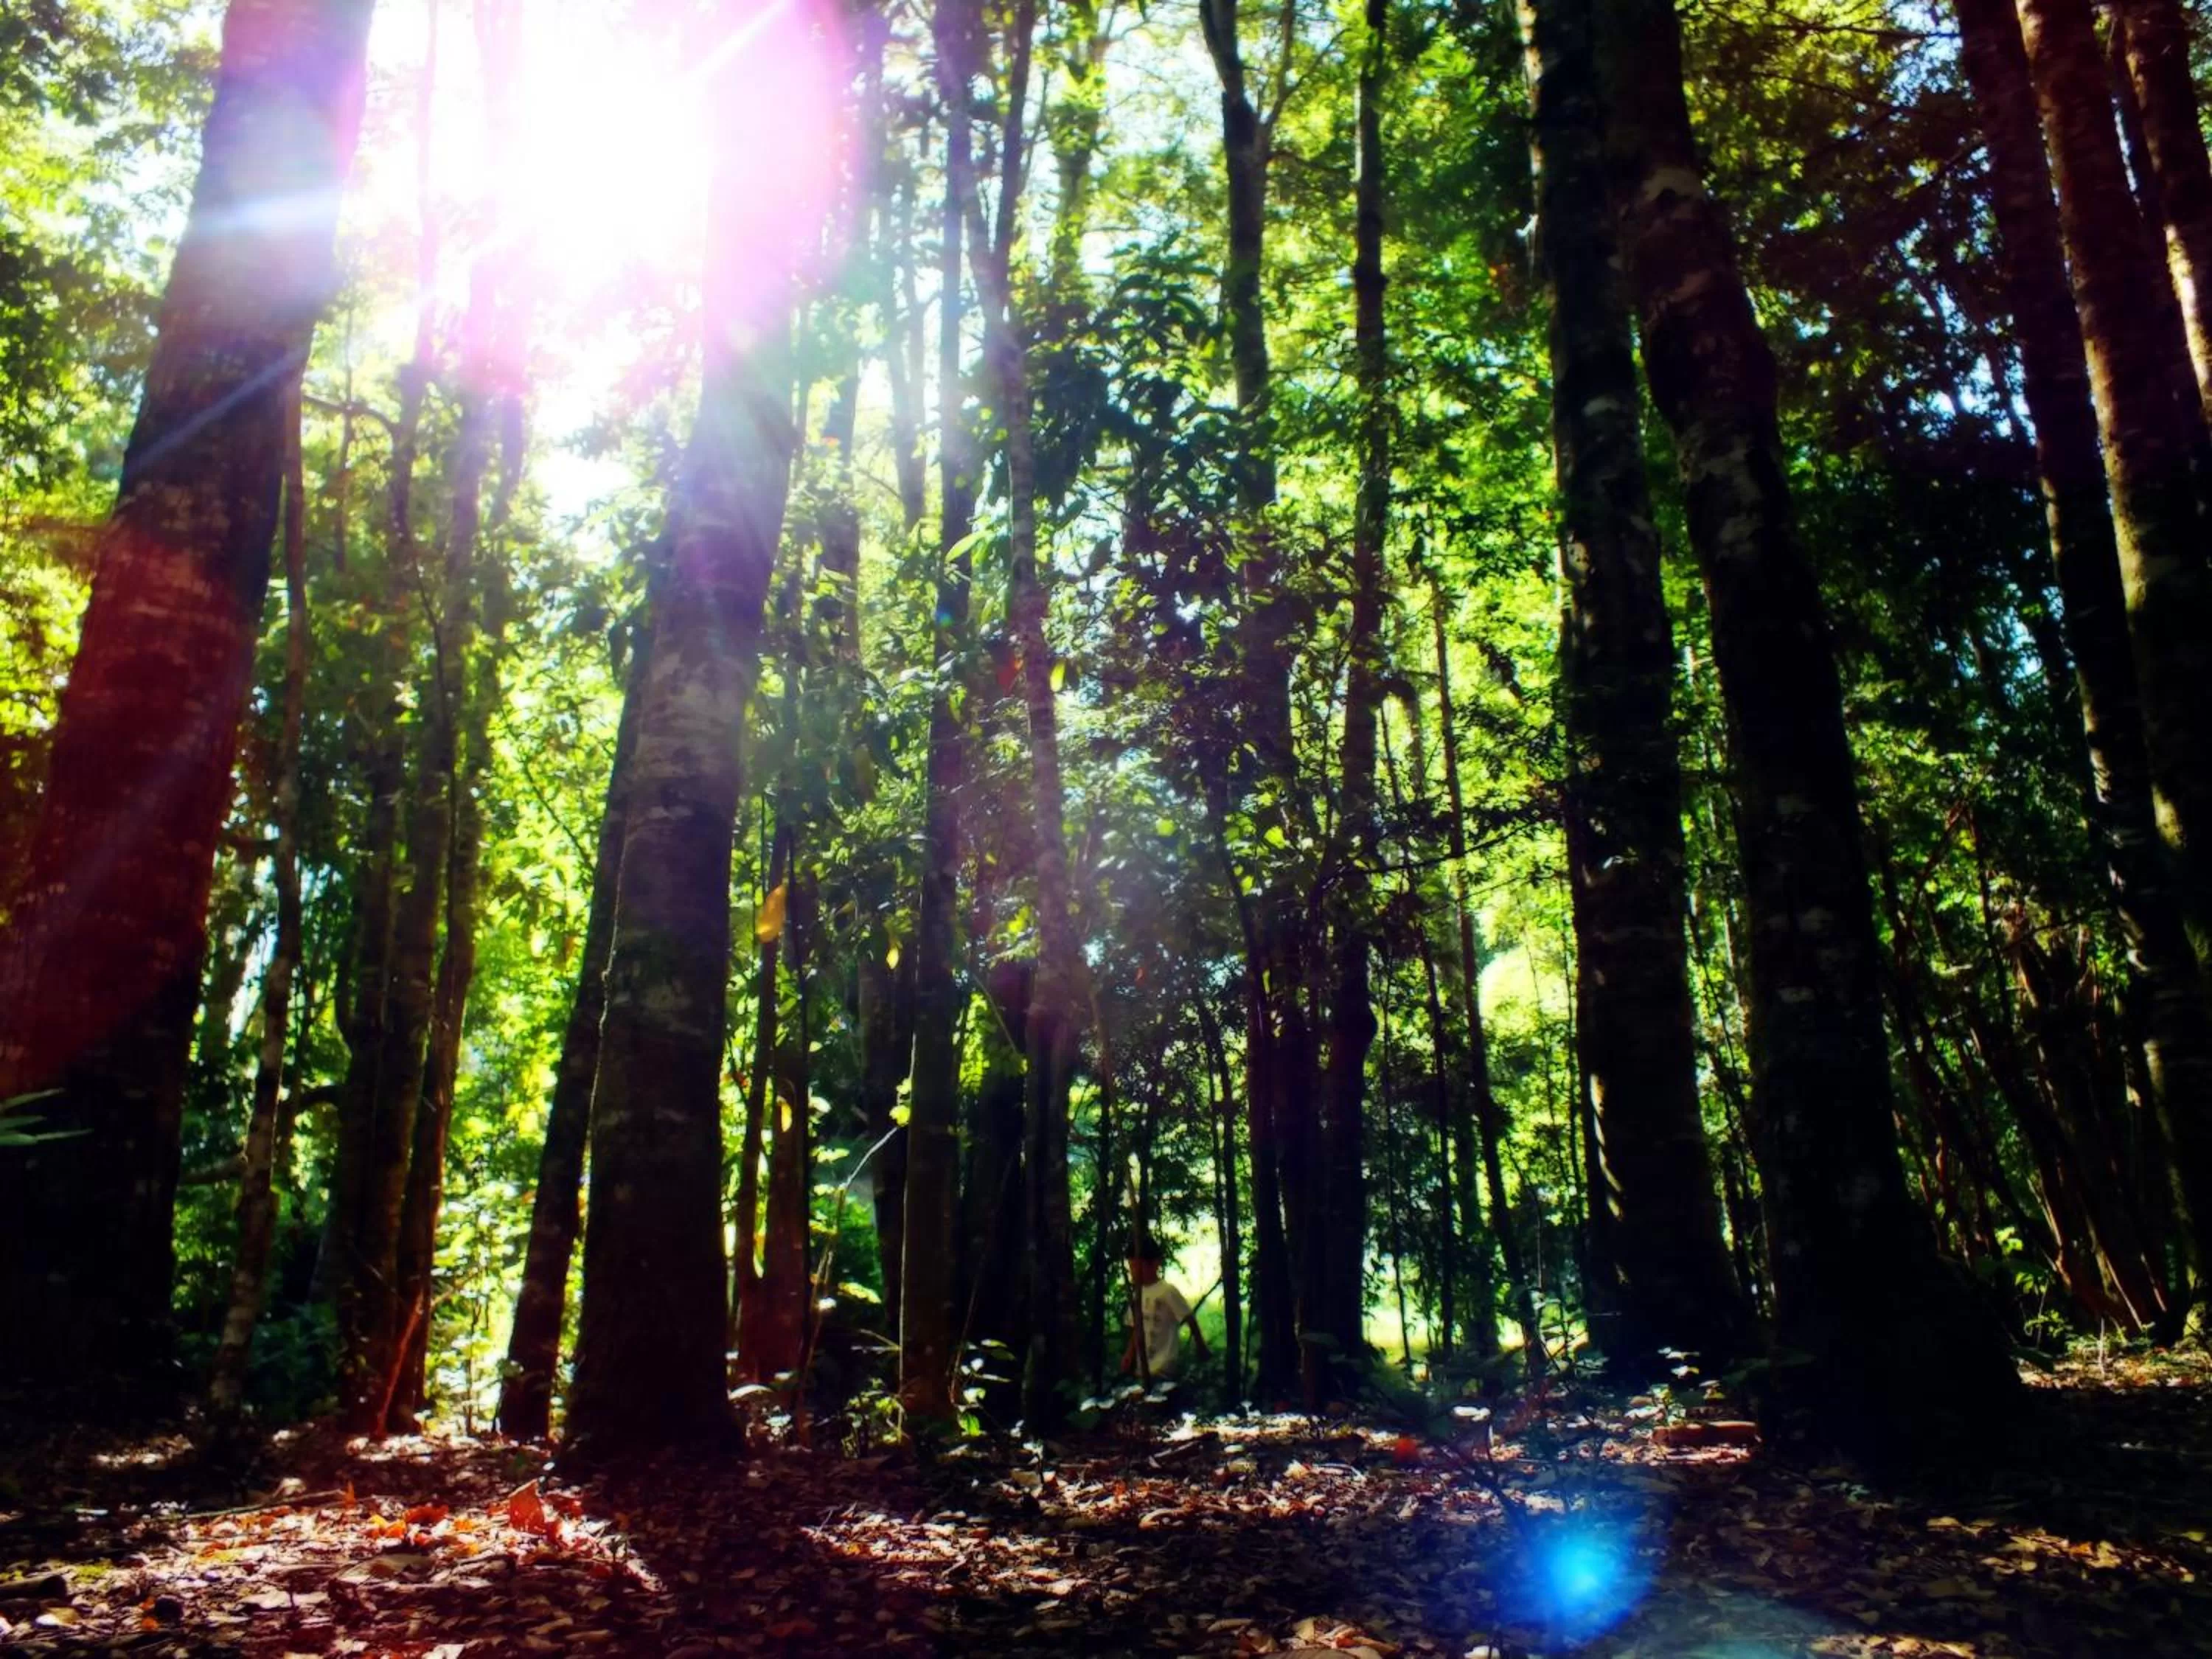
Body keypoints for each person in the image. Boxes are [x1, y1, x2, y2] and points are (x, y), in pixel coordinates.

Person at [1119, 1237, 1208, 1383]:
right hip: (1143, 1369)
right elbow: (1136, 1328)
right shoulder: (1137, 1294)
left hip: (1164, 1367)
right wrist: (1129, 1354)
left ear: (1155, 1264)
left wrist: (1201, 1346)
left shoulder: (1167, 1291)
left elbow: (1188, 1318)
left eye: (1137, 1267)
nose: (1134, 1272)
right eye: (1131, 1267)